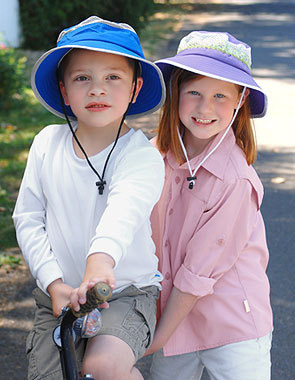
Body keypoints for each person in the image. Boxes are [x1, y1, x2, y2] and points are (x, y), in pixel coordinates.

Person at [13, 16, 166, 380]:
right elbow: (28, 219)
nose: (98, 89)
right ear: (64, 90)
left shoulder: (141, 155)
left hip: (124, 291)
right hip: (59, 294)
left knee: (102, 368)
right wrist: (53, 282)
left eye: (113, 77)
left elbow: (123, 212)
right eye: (83, 78)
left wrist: (100, 263)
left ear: (134, 88)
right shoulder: (47, 144)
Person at [147, 31, 273, 380]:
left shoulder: (235, 179)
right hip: (174, 317)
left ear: (240, 99)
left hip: (231, 324)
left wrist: (157, 338)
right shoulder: (154, 154)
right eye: (194, 93)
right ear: (176, 92)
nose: (205, 109)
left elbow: (197, 272)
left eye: (220, 96)